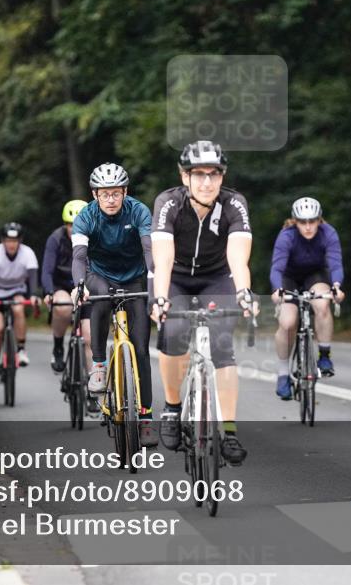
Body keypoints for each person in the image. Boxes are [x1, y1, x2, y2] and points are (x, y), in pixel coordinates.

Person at [151, 141, 255, 466]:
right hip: (177, 277)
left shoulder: (234, 204)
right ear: (185, 177)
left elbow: (238, 256)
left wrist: (244, 293)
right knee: (174, 330)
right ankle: (170, 407)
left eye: (214, 174)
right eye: (199, 174)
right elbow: (163, 259)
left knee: (223, 344)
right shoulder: (168, 203)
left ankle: (230, 430)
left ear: (222, 177)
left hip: (216, 278)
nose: (207, 182)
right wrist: (161, 298)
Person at [71, 164, 158, 447]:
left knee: (142, 349)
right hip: (100, 275)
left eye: (116, 194)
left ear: (125, 193)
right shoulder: (85, 217)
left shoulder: (139, 211)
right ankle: (98, 363)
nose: (111, 199)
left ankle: (145, 418)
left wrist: (155, 281)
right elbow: (80, 257)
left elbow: (148, 248)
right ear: (95, 194)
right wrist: (78, 285)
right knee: (99, 298)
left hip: (134, 278)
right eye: (105, 194)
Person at [269, 197, 346, 399]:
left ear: (319, 220)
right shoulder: (287, 236)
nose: (308, 227)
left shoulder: (328, 233)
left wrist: (337, 286)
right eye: (303, 222)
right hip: (289, 277)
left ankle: (324, 356)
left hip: (316, 275)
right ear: (295, 221)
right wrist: (277, 289)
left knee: (322, 304)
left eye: (313, 221)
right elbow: (277, 267)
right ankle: (284, 373)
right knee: (287, 323)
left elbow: (335, 263)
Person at [0, 222, 40, 391]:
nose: (11, 244)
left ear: (20, 241)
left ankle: (21, 349)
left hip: (16, 290)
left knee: (18, 308)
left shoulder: (27, 253)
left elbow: (33, 276)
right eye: (8, 240)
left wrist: (34, 295)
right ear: (3, 241)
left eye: (15, 241)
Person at [42, 200, 92, 374]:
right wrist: (49, 292)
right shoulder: (55, 239)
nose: (75, 229)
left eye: (80, 224)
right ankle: (58, 347)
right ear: (65, 225)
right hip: (62, 285)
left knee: (90, 336)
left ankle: (94, 385)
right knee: (62, 306)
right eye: (71, 225)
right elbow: (47, 270)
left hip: (87, 287)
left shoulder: (96, 238)